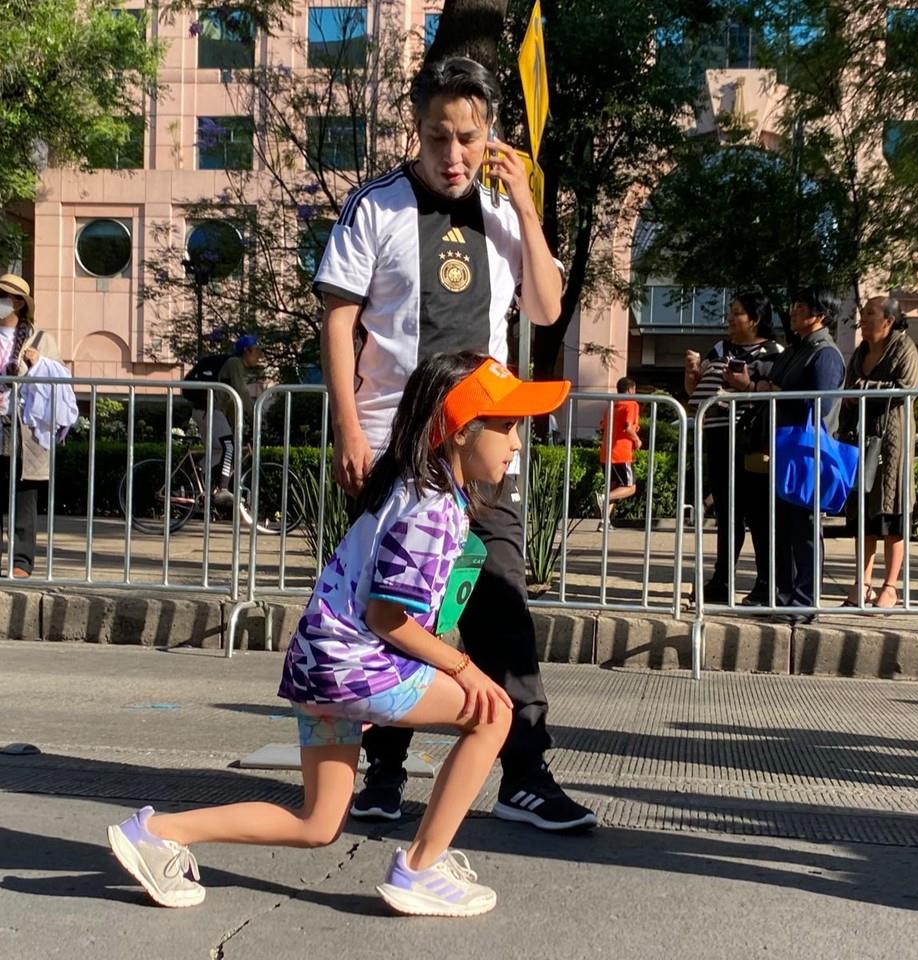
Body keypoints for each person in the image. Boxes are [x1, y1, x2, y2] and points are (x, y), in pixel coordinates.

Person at [107, 353, 570, 916]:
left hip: (322, 664)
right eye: (505, 426)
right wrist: (462, 667)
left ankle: (157, 832)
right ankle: (421, 868)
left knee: (318, 823)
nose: (516, 442)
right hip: (357, 665)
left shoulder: (405, 485)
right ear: (460, 428)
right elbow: (387, 618)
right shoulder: (434, 508)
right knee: (494, 713)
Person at [314, 57, 595, 831]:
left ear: (489, 136)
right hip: (391, 446)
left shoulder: (503, 214)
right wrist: (346, 429)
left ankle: (525, 774)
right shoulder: (375, 206)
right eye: (439, 134)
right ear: (417, 126)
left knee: (500, 602)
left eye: (468, 137)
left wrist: (531, 208)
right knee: (401, 609)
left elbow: (545, 307)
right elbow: (339, 321)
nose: (453, 153)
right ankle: (384, 775)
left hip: (483, 451)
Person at [724, 287, 845, 623]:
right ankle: (782, 597)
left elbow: (821, 404)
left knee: (804, 529)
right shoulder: (796, 349)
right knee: (780, 527)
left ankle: (805, 602)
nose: (792, 311)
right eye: (793, 305)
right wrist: (755, 387)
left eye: (801, 306)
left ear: (819, 314)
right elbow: (774, 387)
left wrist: (775, 392)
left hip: (806, 450)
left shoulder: (825, 354)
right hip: (782, 447)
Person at [684, 292, 785, 604]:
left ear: (754, 319)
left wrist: (745, 386)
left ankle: (766, 583)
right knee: (727, 512)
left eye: (737, 313)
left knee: (758, 513)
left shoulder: (774, 352)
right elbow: (697, 388)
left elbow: (778, 391)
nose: (729, 318)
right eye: (730, 312)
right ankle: (722, 580)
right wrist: (692, 374)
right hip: (716, 436)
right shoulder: (718, 348)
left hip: (751, 440)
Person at [838, 297, 918, 609]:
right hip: (861, 438)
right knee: (864, 515)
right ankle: (862, 582)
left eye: (870, 314)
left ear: (888, 320)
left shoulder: (904, 347)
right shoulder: (859, 353)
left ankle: (890, 586)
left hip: (892, 442)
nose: (863, 319)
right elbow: (848, 392)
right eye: (862, 314)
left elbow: (905, 387)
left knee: (892, 513)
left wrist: (862, 388)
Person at [0, 274, 63, 579]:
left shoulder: (41, 339)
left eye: (6, 295)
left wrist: (39, 363)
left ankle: (21, 561)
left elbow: (61, 384)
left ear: (20, 302)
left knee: (24, 494)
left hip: (24, 428)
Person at [209, 335, 263, 509]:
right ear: (246, 351)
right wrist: (256, 414)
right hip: (209, 411)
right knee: (229, 446)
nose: (259, 355)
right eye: (256, 351)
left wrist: (240, 426)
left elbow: (232, 403)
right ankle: (223, 488)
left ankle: (200, 481)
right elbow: (241, 393)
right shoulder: (235, 363)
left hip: (217, 411)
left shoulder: (239, 367)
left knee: (219, 451)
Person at [596, 377, 642, 530]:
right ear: (630, 390)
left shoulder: (611, 405)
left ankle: (604, 522)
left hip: (605, 452)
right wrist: (637, 440)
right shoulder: (632, 404)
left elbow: (602, 428)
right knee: (630, 487)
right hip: (621, 453)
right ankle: (604, 498)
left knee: (615, 487)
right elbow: (628, 427)